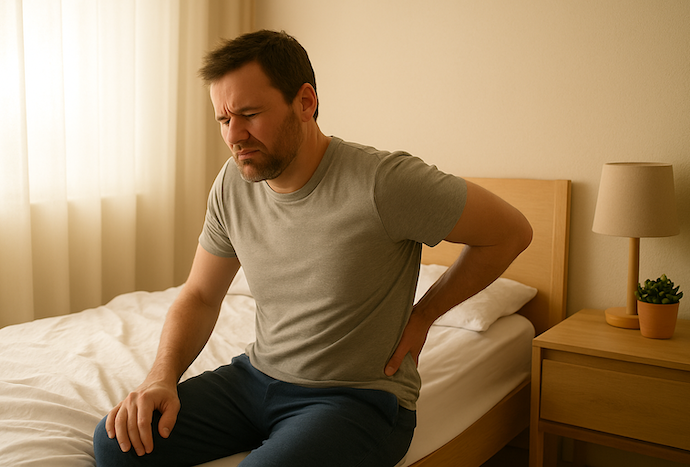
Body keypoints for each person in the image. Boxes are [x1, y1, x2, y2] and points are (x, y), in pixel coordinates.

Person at [93, 30, 532, 467]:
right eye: (224, 120)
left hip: (354, 399)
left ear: (305, 102)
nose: (235, 136)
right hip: (256, 378)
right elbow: (201, 295)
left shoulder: (383, 182)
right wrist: (161, 378)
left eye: (249, 114)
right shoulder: (232, 183)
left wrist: (425, 313)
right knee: (117, 443)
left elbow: (511, 232)